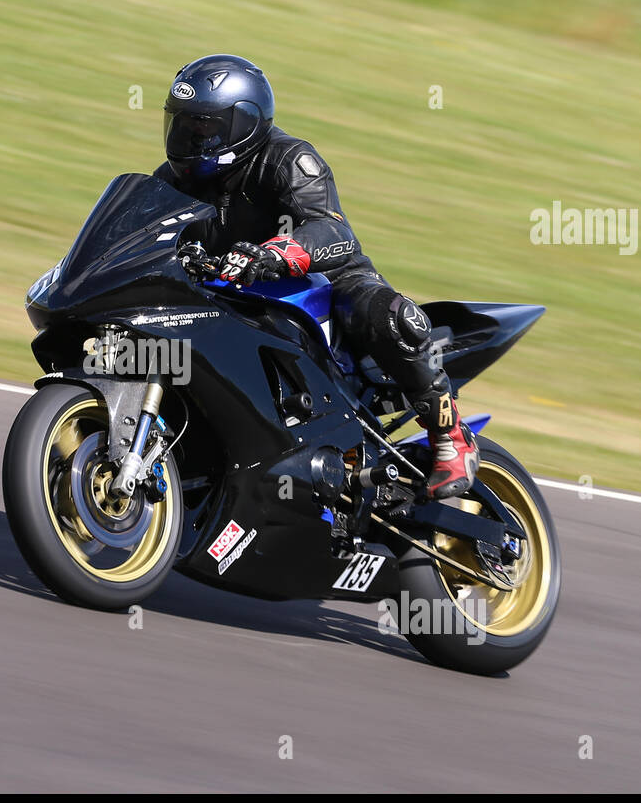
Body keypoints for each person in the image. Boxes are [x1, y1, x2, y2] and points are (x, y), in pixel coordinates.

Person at [155, 54, 478, 499]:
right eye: (184, 125)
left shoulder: (288, 159)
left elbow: (333, 230)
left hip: (323, 283)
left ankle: (451, 439)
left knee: (382, 313)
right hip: (229, 296)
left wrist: (273, 254)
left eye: (205, 128)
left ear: (243, 123)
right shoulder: (172, 182)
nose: (191, 137)